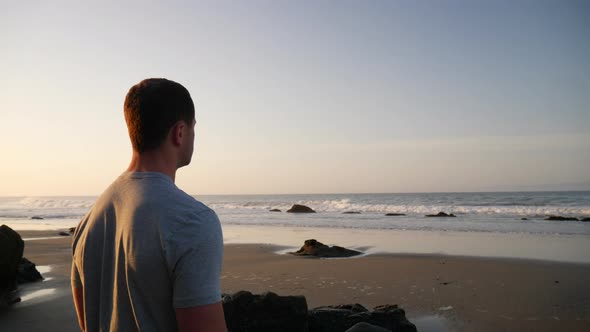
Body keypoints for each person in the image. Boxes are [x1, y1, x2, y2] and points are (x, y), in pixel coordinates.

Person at [71, 78, 227, 332]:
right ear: (180, 132)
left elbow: (86, 322)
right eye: (193, 128)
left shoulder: (88, 221)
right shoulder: (192, 222)